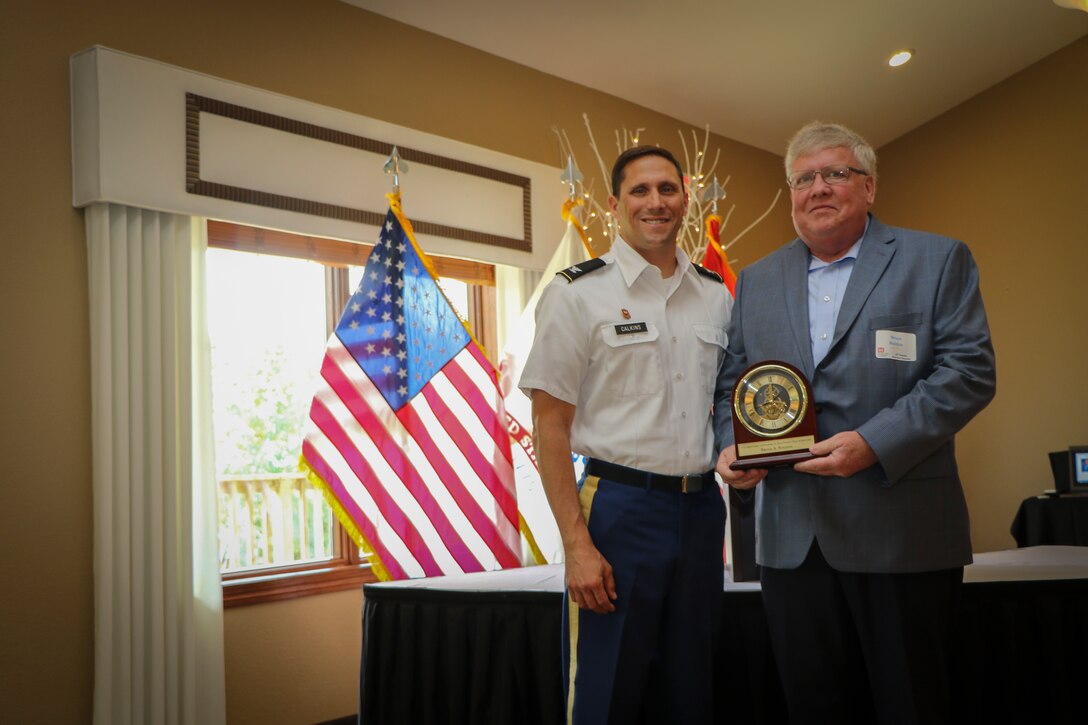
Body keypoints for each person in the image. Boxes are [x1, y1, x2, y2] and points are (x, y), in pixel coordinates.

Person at [713, 121, 996, 725]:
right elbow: (731, 383)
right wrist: (728, 448)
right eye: (804, 178)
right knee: (814, 707)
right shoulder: (758, 280)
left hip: (901, 533)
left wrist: (874, 442)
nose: (818, 188)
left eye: (835, 173)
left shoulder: (936, 258)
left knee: (911, 704)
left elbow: (969, 372)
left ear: (869, 187)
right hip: (790, 542)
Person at [520, 146, 732, 725]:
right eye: (640, 191)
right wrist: (576, 544)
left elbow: (725, 400)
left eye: (668, 189)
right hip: (618, 512)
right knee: (605, 692)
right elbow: (550, 424)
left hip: (700, 512)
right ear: (615, 205)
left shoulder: (716, 294)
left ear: (685, 199)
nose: (656, 202)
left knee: (691, 691)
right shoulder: (576, 293)